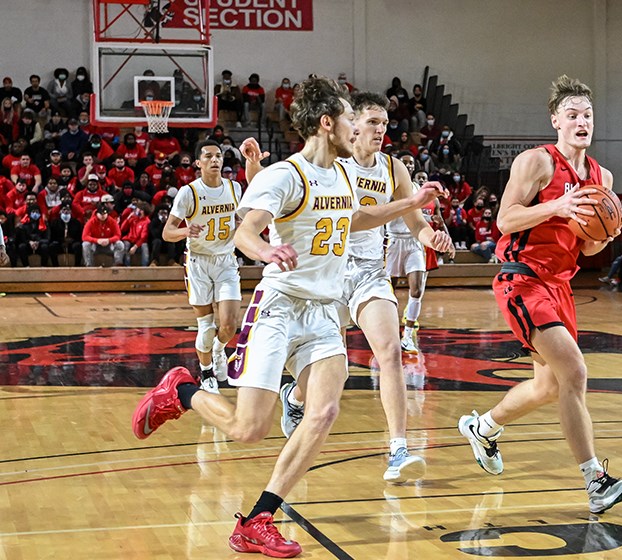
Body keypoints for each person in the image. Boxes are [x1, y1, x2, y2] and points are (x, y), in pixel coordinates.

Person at [132, 76, 443, 557]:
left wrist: (411, 204)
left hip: (323, 312)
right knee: (247, 428)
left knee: (324, 411)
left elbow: (355, 218)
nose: (354, 126)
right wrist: (267, 249)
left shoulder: (342, 176)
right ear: (327, 123)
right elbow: (244, 233)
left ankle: (258, 519)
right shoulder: (285, 175)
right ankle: (181, 390)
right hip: (279, 308)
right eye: (346, 117)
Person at [242, 91, 453, 483]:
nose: (378, 130)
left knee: (390, 352)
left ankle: (398, 449)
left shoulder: (393, 169)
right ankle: (295, 397)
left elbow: (415, 223)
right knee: (324, 375)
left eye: (384, 124)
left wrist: (430, 237)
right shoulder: (331, 166)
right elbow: (277, 195)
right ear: (349, 126)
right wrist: (255, 172)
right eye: (371, 122)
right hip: (326, 275)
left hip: (369, 272)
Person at [457, 75, 622, 515]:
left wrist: (606, 231)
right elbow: (506, 219)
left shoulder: (602, 176)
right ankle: (595, 481)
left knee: (548, 386)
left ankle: (484, 427)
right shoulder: (537, 162)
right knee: (575, 373)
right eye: (572, 115)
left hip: (560, 285)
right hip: (522, 279)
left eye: (587, 115)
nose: (581, 121)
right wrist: (556, 206)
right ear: (555, 120)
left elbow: (588, 245)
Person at [163, 140, 242, 393]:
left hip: (226, 260)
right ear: (198, 163)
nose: (215, 160)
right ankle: (206, 372)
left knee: (229, 325)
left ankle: (219, 351)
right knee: (206, 327)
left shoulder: (235, 188)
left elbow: (239, 221)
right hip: (198, 262)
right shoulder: (189, 192)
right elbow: (167, 232)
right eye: (208, 156)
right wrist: (187, 229)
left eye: (218, 156)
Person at [385, 188, 448, 353]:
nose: (409, 166)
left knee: (417, 289)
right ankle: (388, 333)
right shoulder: (390, 187)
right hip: (393, 241)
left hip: (414, 242)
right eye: (405, 162)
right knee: (388, 292)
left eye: (411, 162)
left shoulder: (415, 188)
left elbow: (419, 217)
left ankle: (407, 336)